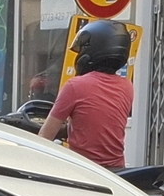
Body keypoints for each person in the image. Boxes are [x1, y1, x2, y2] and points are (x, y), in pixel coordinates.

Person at [39, 20, 133, 169]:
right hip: (116, 171)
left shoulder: (75, 86)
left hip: (85, 170)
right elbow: (99, 122)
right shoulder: (127, 86)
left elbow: (45, 136)